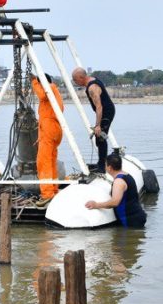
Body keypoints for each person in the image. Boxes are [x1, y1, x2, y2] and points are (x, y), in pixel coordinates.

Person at [72, 67, 116, 173]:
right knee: (99, 138)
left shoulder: (92, 87)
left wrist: (98, 125)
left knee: (100, 137)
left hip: (106, 112)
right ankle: (102, 162)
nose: (75, 82)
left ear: (81, 77)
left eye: (75, 80)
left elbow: (99, 106)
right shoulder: (92, 80)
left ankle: (102, 167)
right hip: (106, 111)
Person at [84, 154, 146, 228]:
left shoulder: (119, 181)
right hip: (136, 215)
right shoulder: (126, 174)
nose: (105, 167)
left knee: (128, 238)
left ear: (109, 168)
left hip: (130, 220)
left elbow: (115, 202)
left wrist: (96, 205)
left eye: (106, 165)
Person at [31, 74, 64, 202]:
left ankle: (47, 194)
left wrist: (34, 82)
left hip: (49, 130)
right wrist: (40, 137)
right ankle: (53, 189)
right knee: (50, 161)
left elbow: (42, 95)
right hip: (54, 130)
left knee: (43, 163)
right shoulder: (54, 94)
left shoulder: (49, 88)